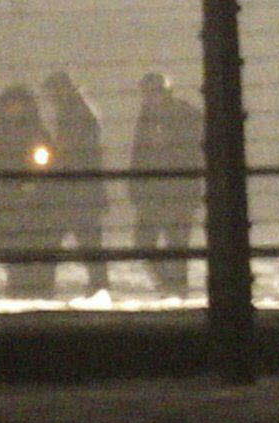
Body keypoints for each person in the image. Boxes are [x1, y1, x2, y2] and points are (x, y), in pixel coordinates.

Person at [128, 71, 204, 295]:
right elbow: (139, 154)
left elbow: (195, 152)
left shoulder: (186, 115)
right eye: (145, 93)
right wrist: (135, 185)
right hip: (152, 192)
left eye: (152, 92)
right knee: (144, 242)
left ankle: (177, 290)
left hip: (179, 191)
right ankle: (169, 284)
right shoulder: (146, 117)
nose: (148, 97)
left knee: (177, 245)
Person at [42, 69, 113, 296]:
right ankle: (98, 284)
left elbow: (73, 148)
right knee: (86, 239)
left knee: (62, 237)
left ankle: (46, 284)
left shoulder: (75, 112)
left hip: (77, 188)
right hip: (81, 187)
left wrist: (56, 158)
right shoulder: (78, 109)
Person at [0, 84, 57, 297]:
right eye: (10, 104)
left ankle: (40, 283)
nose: (14, 108)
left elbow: (46, 159)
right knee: (9, 239)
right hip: (8, 194)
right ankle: (16, 280)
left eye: (18, 104)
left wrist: (34, 178)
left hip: (35, 195)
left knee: (36, 239)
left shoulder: (37, 132)